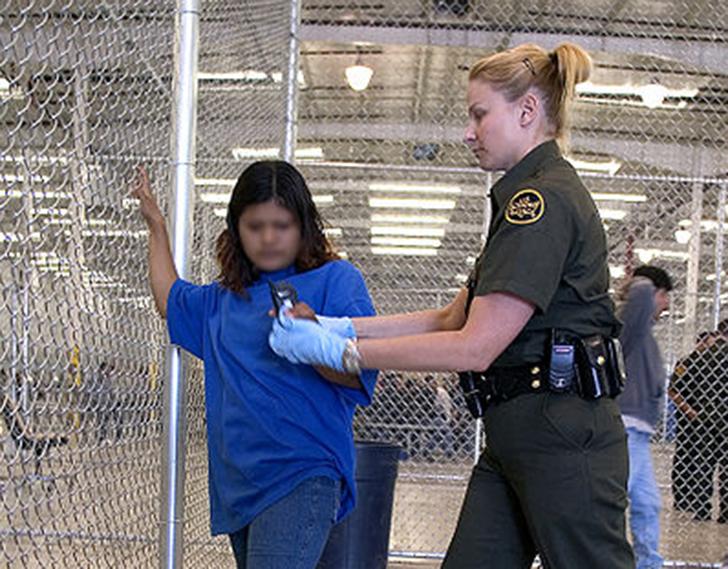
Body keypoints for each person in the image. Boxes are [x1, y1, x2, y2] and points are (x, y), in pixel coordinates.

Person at [269, 42, 635, 568]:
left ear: (527, 111)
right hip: (518, 431)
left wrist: (341, 352)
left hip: (561, 435)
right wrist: (337, 325)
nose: (469, 131)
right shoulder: (521, 201)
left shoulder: (542, 202)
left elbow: (475, 346)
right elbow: (449, 319)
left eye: (480, 114)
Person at [132, 160, 378, 568]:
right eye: (254, 225)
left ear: (303, 226)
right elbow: (168, 298)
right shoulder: (223, 301)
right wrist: (156, 225)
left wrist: (313, 343)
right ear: (235, 228)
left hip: (301, 471)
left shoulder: (336, 281)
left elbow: (360, 378)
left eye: (281, 225)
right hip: (239, 485)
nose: (268, 238)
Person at [618, 264, 673, 569]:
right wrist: (642, 279)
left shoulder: (644, 335)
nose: (666, 304)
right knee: (615, 501)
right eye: (663, 295)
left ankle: (647, 563)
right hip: (626, 429)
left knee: (647, 503)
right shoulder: (631, 323)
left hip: (637, 433)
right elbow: (639, 295)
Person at [668, 323, 728, 523]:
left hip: (704, 419)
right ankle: (726, 512)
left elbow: (675, 389)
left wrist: (693, 413)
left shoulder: (698, 359)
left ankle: (701, 507)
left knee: (703, 463)